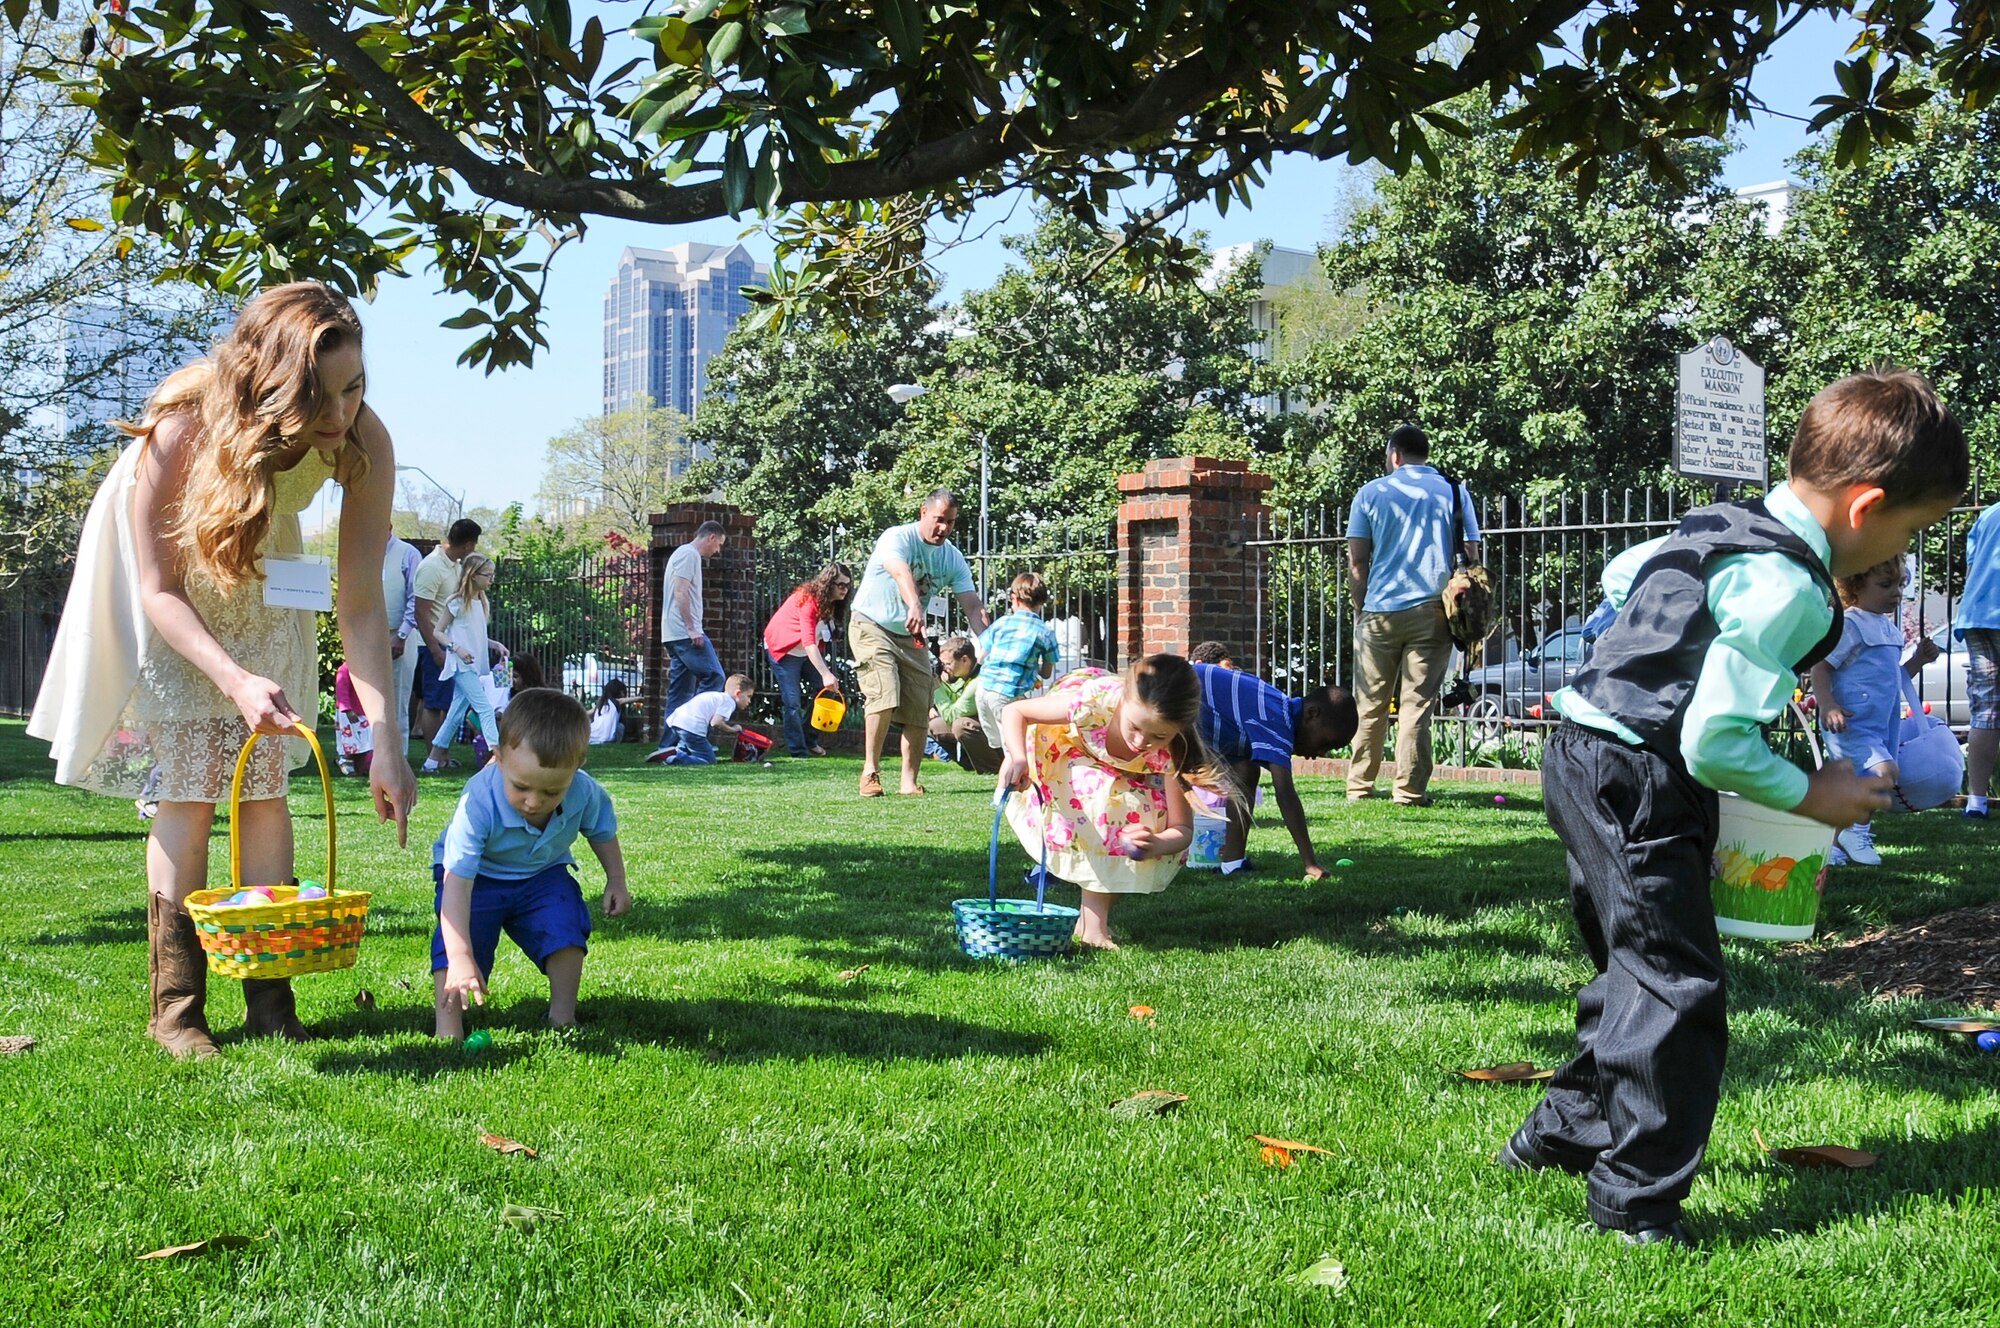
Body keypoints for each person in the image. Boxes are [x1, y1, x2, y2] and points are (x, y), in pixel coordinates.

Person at [1498, 368, 1967, 1248]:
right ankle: (1635, 1204)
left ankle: (1555, 1135)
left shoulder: (1723, 524)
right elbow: (1716, 740)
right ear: (1866, 508)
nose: (1904, 557)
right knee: (1678, 987)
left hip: (1581, 753)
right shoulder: (1789, 585)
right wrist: (1813, 793)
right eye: (1915, 531)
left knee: (1631, 969)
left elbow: (1624, 571)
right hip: (1640, 775)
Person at [27, 281, 417, 1058]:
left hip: (269, 590)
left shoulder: (363, 439)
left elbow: (364, 604)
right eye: (319, 396)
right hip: (181, 600)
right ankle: (176, 1010)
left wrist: (387, 739)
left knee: (265, 789)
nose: (341, 415)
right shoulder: (179, 430)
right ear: (269, 383)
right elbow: (158, 588)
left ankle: (269, 1002)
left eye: (354, 387)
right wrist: (233, 681)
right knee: (192, 793)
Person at [432, 688, 629, 1039]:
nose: (534, 801)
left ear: (576, 768)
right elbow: (457, 883)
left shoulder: (584, 791)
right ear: (499, 757)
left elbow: (601, 830)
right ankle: (449, 1029)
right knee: (460, 941)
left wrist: (616, 879)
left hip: (542, 872)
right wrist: (462, 955)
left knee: (565, 923)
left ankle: (562, 1016)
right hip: (476, 877)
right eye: (521, 787)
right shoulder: (478, 801)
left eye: (552, 792)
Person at [997, 656, 1231, 950]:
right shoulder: (1096, 702)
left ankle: (1090, 924)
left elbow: (1182, 829)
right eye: (1134, 726)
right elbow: (1015, 711)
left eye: (1158, 735)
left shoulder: (1175, 749)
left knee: (1132, 814)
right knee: (1106, 804)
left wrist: (1156, 843)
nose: (1141, 742)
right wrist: (1017, 757)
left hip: (1119, 771)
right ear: (1123, 702)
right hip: (1061, 744)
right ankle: (1094, 930)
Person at [1344, 423, 1480, 806]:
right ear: (1426, 453)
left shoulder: (1371, 492)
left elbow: (1358, 560)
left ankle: (1359, 786)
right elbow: (1472, 552)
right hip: (1433, 610)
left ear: (1394, 456)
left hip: (1379, 611)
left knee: (1370, 703)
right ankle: (1408, 790)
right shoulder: (1455, 491)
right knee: (1417, 705)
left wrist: (1360, 608)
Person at [849, 489, 990, 797]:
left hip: (910, 635)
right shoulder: (897, 537)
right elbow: (899, 571)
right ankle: (870, 772)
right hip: (872, 625)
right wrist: (914, 603)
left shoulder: (951, 556)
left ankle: (908, 782)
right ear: (923, 513)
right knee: (884, 692)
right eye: (939, 520)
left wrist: (990, 641)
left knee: (918, 706)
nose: (944, 528)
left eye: (950, 522)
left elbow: (971, 603)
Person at [1809, 558, 1947, 864]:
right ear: (1855, 587)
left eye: (1900, 584)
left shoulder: (1889, 629)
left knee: (1854, 785)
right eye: (1885, 586)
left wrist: (1918, 662)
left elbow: (1894, 677)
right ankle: (1856, 831)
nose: (1896, 592)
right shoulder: (1851, 624)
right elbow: (1820, 668)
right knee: (1883, 772)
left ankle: (1827, 843)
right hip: (1848, 722)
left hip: (1880, 726)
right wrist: (1828, 704)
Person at [1193, 662, 1358, 879]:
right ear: (1312, 714)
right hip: (1172, 693)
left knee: (1246, 770)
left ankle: (1232, 864)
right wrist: (1310, 862)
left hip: (1185, 693)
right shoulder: (1276, 722)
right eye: (1325, 743)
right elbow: (1285, 794)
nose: (1320, 753)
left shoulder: (1277, 706)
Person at [420, 554, 500, 774]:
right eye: (487, 575)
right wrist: (457, 649)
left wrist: (495, 645)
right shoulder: (455, 602)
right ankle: (498, 754)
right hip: (460, 665)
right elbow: (438, 632)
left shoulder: (481, 603)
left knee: (455, 713)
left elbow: (477, 636)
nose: (491, 580)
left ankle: (431, 762)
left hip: (472, 665)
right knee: (484, 708)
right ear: (473, 576)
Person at [763, 562, 851, 757]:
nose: (845, 589)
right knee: (792, 702)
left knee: (827, 691)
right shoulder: (807, 599)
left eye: (848, 585)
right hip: (784, 651)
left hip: (805, 653)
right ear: (829, 584)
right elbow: (808, 641)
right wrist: (826, 673)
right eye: (841, 585)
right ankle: (798, 750)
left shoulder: (833, 603)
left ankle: (808, 739)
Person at [654, 520, 729, 748]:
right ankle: (693, 736)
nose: (717, 551)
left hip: (673, 633)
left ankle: (668, 745)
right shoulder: (689, 554)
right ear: (711, 537)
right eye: (719, 545)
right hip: (684, 632)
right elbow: (681, 591)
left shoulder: (682, 553)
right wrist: (692, 628)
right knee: (715, 676)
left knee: (680, 691)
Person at [414, 517, 481, 755]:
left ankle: (443, 755)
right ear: (468, 545)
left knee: (448, 703)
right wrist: (434, 650)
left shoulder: (455, 565)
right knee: (434, 703)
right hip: (433, 645)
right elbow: (420, 613)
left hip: (451, 646)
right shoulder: (432, 567)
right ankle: (434, 757)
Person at [974, 572, 1060, 739]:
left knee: (1000, 744)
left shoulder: (1001, 623)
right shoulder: (1045, 632)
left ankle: (995, 765)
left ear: (1014, 598)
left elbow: (981, 657)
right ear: (1042, 601)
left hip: (983, 690)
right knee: (1016, 748)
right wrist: (1031, 667)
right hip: (1008, 696)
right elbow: (1046, 673)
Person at [1957, 498, 2000, 819]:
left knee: (1986, 709)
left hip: (1976, 616)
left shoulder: (1988, 514)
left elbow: (1972, 569)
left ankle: (1977, 800)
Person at [930, 636, 1002, 774]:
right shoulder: (966, 677)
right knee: (935, 725)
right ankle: (970, 764)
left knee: (961, 725)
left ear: (964, 660)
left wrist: (936, 686)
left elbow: (950, 716)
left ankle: (993, 768)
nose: (943, 668)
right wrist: (939, 681)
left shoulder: (978, 682)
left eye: (947, 664)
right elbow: (954, 701)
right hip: (988, 729)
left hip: (999, 736)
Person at [648, 674, 754, 766]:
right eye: (749, 696)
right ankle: (673, 758)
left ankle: (676, 752)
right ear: (738, 693)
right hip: (691, 727)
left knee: (688, 745)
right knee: (709, 760)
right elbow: (716, 723)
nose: (749, 701)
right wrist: (733, 729)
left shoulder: (717, 696)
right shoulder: (729, 702)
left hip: (677, 721)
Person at [384, 531, 421, 736]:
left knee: (398, 700)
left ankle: (398, 757)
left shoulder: (408, 554)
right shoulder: (365, 551)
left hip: (398, 634)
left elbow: (415, 598)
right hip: (370, 636)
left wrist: (402, 635)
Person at [334, 661, 373, 777]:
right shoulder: (345, 669)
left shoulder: (366, 669)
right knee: (351, 743)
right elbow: (342, 691)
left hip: (364, 713)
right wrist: (347, 709)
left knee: (365, 745)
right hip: (349, 714)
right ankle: (344, 760)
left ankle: (360, 771)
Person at [589, 679, 629, 745]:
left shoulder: (601, 704)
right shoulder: (617, 702)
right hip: (607, 738)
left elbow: (587, 713)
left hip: (593, 736)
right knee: (621, 727)